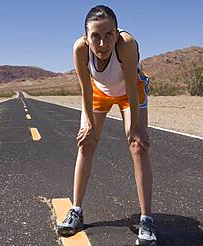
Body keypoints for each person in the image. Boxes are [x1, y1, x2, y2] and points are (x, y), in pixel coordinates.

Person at [57, 5, 157, 246]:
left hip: (130, 93)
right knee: (85, 144)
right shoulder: (80, 48)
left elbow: (132, 87)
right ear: (86, 37)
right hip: (99, 94)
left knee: (138, 145)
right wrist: (89, 123)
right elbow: (86, 88)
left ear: (116, 33)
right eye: (96, 36)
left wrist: (135, 128)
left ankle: (146, 219)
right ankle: (76, 211)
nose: (102, 43)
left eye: (108, 35)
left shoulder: (127, 44)